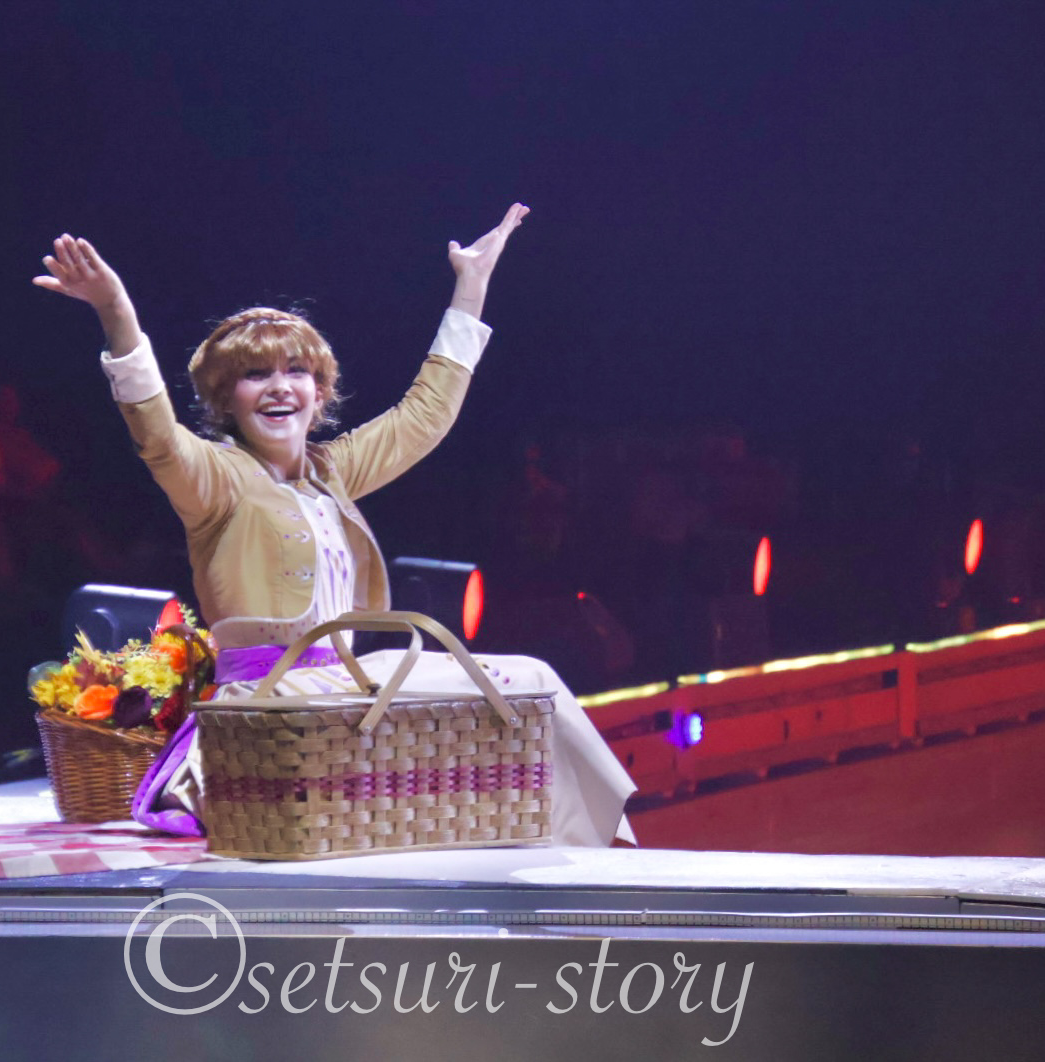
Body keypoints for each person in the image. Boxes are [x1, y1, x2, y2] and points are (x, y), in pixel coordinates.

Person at [34, 204, 635, 847]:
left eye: (296, 372)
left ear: (319, 394)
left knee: (531, 683)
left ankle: (592, 850)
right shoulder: (217, 478)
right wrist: (116, 311)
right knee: (515, 684)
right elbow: (155, 433)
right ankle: (593, 851)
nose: (279, 387)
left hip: (344, 687)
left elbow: (424, 416)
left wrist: (471, 286)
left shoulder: (332, 472)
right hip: (271, 701)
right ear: (226, 398)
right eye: (255, 374)